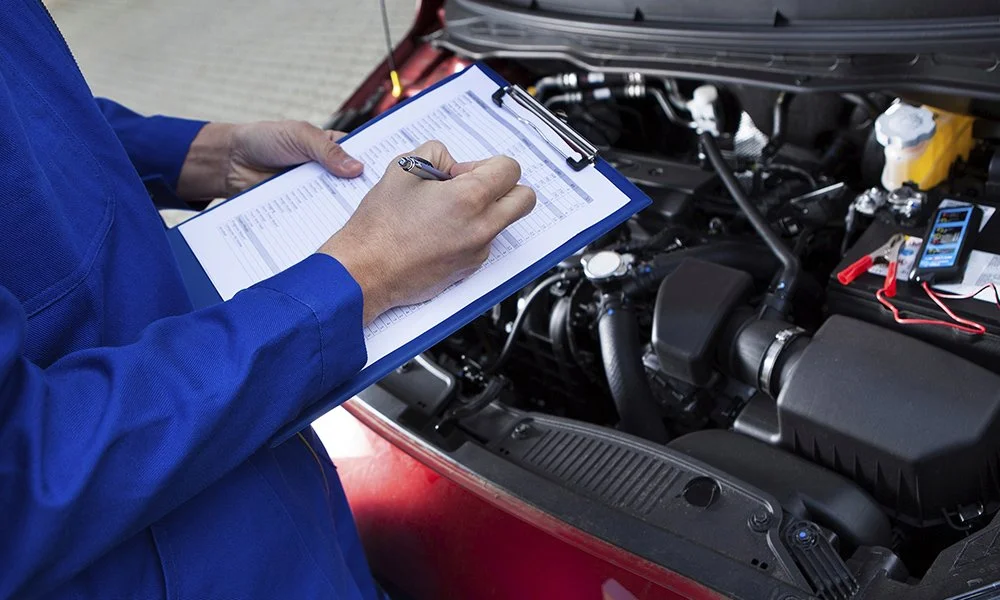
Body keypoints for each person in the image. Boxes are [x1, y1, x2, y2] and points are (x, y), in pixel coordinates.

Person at [0, 4, 535, 599]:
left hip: (232, 427)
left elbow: (26, 113)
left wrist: (199, 154)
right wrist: (361, 278)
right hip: (141, 552)